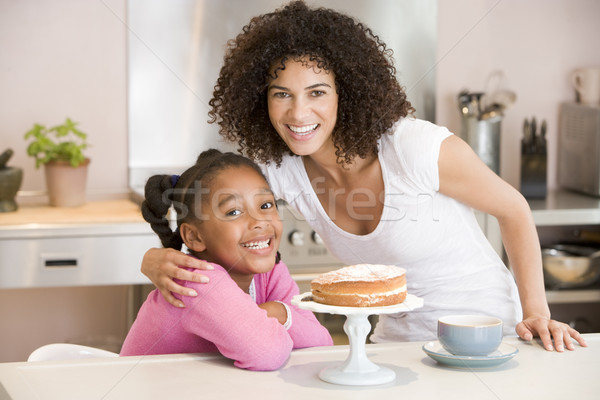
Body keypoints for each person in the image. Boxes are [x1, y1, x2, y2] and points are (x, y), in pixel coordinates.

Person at [141, 1, 586, 351]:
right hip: (395, 341)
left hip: (487, 331)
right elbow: (204, 192)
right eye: (282, 95)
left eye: (317, 92)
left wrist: (536, 311)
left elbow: (514, 209)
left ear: (345, 94)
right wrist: (155, 257)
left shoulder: (412, 147)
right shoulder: (283, 169)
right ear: (262, 101)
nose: (298, 113)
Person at [121, 149, 333, 371]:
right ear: (194, 236)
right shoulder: (196, 281)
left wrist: (278, 312)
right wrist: (275, 320)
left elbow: (321, 344)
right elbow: (269, 353)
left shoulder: (270, 273)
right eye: (233, 212)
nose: (259, 221)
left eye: (266, 205)